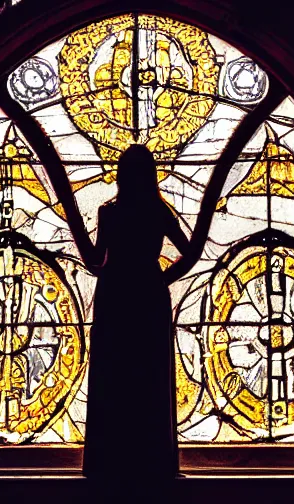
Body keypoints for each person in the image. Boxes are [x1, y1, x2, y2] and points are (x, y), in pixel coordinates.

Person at [83, 144, 192, 481]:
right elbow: (188, 252)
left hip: (116, 292)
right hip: (147, 293)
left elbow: (96, 260)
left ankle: (109, 461)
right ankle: (153, 459)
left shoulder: (110, 213)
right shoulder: (159, 212)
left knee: (113, 372)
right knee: (149, 373)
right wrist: (161, 277)